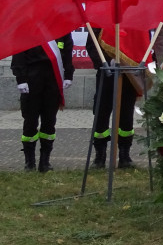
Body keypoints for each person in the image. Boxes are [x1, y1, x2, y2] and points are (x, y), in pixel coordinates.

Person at [12, 33, 74, 172]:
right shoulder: (29, 28)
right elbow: (19, 53)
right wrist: (20, 78)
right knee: (30, 121)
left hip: (53, 81)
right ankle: (30, 162)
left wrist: (69, 74)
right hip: (32, 80)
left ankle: (45, 162)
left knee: (49, 121)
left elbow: (67, 51)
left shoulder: (61, 29)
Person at [88, 33, 143, 169]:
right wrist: (104, 62)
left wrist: (134, 62)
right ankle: (100, 156)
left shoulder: (133, 18)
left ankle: (124, 156)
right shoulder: (99, 21)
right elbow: (91, 45)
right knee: (101, 115)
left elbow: (141, 43)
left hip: (128, 76)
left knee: (126, 117)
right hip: (106, 76)